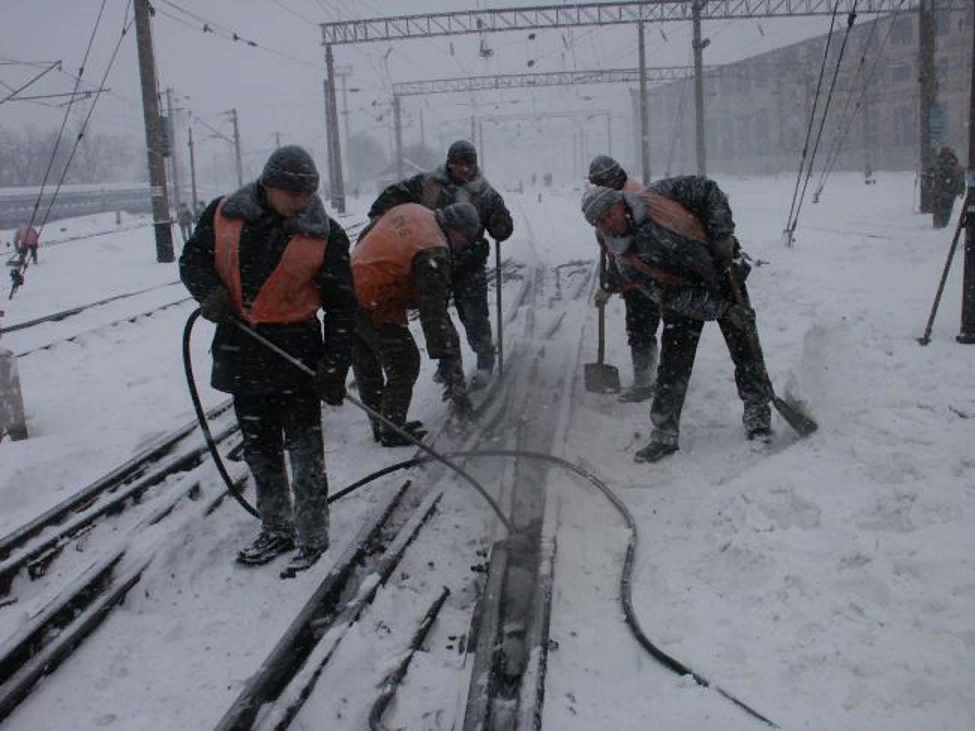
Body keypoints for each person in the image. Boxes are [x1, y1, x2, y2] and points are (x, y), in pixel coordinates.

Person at [179, 145, 357, 576]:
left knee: (306, 450)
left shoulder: (325, 234)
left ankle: (313, 534)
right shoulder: (222, 215)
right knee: (260, 450)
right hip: (242, 351)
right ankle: (276, 527)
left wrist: (335, 363)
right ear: (268, 187)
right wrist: (209, 293)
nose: (302, 204)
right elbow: (193, 260)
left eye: (309, 194)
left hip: (296, 354)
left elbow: (343, 306)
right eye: (293, 195)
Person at [581, 178, 773, 463]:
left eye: (611, 212)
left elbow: (708, 191)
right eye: (601, 220)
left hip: (722, 270)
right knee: (673, 365)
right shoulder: (627, 260)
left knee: (745, 348)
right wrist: (721, 310)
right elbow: (669, 296)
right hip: (682, 293)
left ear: (622, 204)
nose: (610, 221)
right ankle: (664, 432)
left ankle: (758, 414)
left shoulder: (660, 196)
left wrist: (722, 237)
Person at [368, 140, 514, 388]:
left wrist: (499, 222)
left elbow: (503, 228)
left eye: (469, 165)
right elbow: (394, 195)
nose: (465, 170)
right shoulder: (428, 184)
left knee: (475, 315)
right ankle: (448, 366)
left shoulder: (484, 192)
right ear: (449, 163)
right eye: (460, 165)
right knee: (436, 316)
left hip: (469, 264)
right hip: (432, 263)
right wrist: (379, 214)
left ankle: (485, 358)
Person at [350, 201, 482, 446]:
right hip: (376, 301)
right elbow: (433, 314)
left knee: (367, 361)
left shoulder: (417, 211)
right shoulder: (434, 250)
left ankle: (381, 423)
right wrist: (450, 364)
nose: (460, 248)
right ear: (458, 231)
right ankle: (390, 428)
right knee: (404, 362)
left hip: (350, 288)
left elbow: (369, 232)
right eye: (464, 241)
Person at [588, 155, 661, 402]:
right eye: (598, 183)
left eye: (605, 181)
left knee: (641, 328)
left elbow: (630, 250)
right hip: (632, 274)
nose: (603, 187)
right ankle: (649, 377)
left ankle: (647, 382)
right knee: (639, 327)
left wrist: (610, 285)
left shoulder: (632, 198)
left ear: (615, 176)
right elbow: (614, 250)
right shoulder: (611, 202)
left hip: (643, 274)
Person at [931, 146, 965, 229]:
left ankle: (940, 222)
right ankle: (939, 222)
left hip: (947, 191)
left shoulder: (954, 165)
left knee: (944, 208)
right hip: (944, 191)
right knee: (942, 207)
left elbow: (960, 178)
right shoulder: (943, 165)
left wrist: (961, 189)